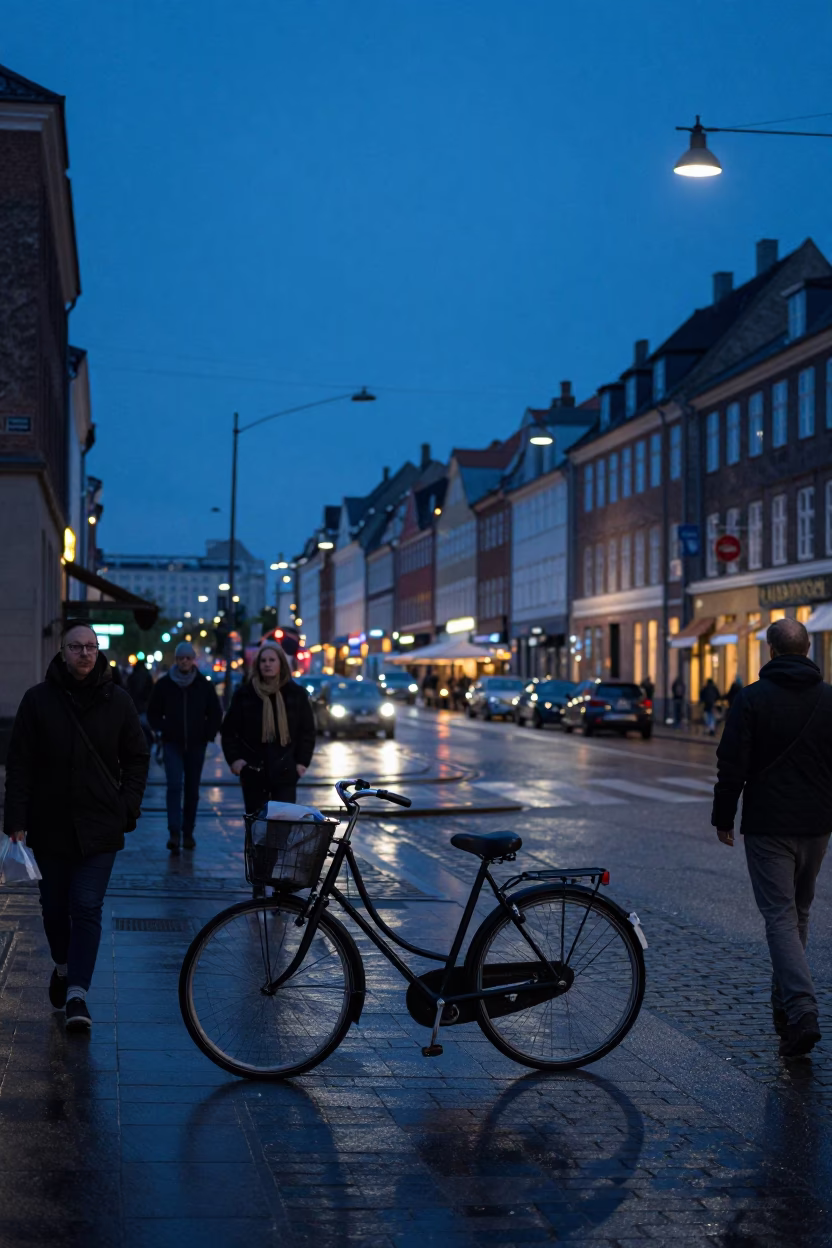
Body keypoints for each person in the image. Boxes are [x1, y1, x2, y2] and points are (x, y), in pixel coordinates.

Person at [4, 620, 148, 1032]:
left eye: (91, 647)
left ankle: (77, 994)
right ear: (63, 652)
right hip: (51, 825)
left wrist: (127, 806)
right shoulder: (38, 700)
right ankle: (64, 967)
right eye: (76, 647)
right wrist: (15, 819)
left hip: (101, 824)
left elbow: (137, 757)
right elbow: (21, 765)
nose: (85, 654)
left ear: (99, 651)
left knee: (86, 906)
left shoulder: (118, 701)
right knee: (53, 910)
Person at [712, 618, 832, 1059]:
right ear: (806, 650)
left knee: (781, 917)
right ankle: (784, 1008)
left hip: (768, 825)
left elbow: (732, 764)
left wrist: (723, 816)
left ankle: (802, 1010)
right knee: (798, 914)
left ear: (771, 652)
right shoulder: (828, 699)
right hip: (817, 826)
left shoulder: (752, 699)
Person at [221, 640, 316, 812]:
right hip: (253, 770)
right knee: (256, 827)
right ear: (257, 665)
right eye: (263, 661)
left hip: (286, 770)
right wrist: (235, 760)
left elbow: (307, 731)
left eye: (272, 660)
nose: (267, 664)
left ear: (281, 663)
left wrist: (301, 762)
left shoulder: (296, 694)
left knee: (282, 824)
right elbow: (229, 730)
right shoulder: (245, 694)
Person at [147, 641, 222, 854]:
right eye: (181, 658)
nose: (184, 662)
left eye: (188, 658)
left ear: (193, 660)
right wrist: (162, 730)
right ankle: (174, 832)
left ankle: (188, 832)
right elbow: (152, 713)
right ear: (176, 660)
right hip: (172, 743)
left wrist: (207, 734)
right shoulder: (164, 685)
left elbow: (215, 713)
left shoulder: (203, 684)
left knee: (192, 790)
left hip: (196, 745)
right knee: (173, 786)